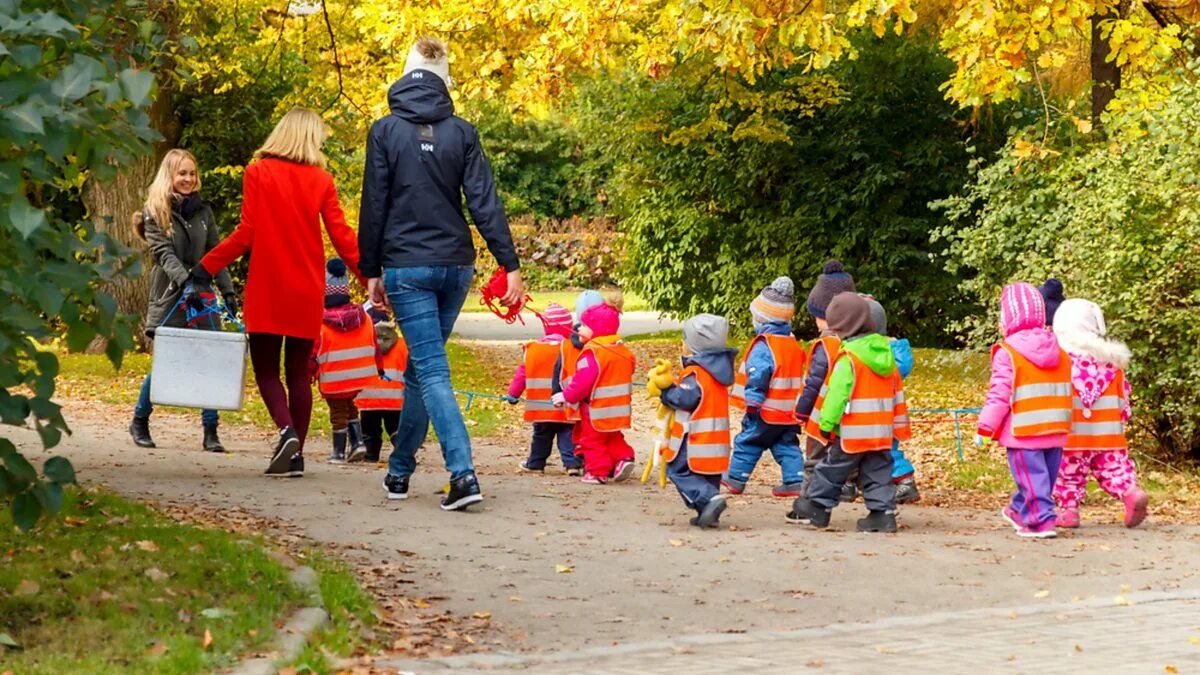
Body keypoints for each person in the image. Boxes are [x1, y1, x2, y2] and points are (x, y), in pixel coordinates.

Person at [359, 36, 523, 510]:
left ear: (405, 73)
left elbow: (375, 204)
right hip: (455, 266)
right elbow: (484, 201)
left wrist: (370, 270)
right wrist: (508, 264)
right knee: (420, 370)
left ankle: (463, 474)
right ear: (445, 80)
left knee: (430, 370)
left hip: (407, 266)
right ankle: (399, 472)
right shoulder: (462, 132)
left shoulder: (385, 131)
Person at [195, 108, 363, 478]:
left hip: (268, 287)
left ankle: (286, 433)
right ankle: (296, 455)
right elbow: (342, 236)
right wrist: (369, 277)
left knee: (267, 371)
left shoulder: (258, 172)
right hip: (306, 287)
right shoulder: (321, 180)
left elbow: (247, 232)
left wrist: (206, 265)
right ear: (308, 138)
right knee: (298, 376)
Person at [129, 149, 236, 453]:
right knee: (168, 360)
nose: (188, 179)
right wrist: (185, 281)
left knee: (211, 359)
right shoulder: (154, 210)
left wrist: (227, 291)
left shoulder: (204, 212)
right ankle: (140, 420)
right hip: (171, 293)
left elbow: (217, 253)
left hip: (201, 293)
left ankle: (211, 429)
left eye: (191, 173)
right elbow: (163, 254)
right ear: (170, 176)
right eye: (182, 173)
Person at [787, 293, 911, 533]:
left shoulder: (849, 358)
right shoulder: (887, 356)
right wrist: (898, 426)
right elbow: (898, 395)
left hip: (852, 433)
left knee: (831, 469)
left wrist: (826, 423)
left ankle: (817, 508)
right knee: (877, 472)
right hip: (881, 433)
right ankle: (883, 514)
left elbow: (837, 395)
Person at [976, 282, 1072, 539]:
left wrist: (986, 427)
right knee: (1043, 479)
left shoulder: (1008, 352)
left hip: (1024, 429)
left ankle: (1040, 521)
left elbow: (1000, 394)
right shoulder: (1059, 350)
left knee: (1032, 479)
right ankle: (1020, 510)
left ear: (1010, 317)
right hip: (1055, 427)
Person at [1051, 299, 1148, 528]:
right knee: (1113, 469)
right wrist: (1120, 421)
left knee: (1067, 474)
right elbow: (1123, 400)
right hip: (1108, 434)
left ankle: (1068, 511)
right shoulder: (1112, 364)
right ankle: (1130, 492)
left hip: (1071, 436)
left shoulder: (1060, 361)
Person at [726, 277, 807, 497]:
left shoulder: (764, 345)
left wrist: (752, 400)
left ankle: (735, 478)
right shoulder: (792, 344)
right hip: (788, 411)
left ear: (762, 320)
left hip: (764, 410)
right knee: (786, 444)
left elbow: (758, 373)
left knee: (749, 441)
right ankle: (795, 480)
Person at [655, 314, 737, 528]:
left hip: (694, 438)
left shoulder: (697, 373)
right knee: (707, 475)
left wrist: (666, 392)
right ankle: (708, 510)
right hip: (715, 441)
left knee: (678, 470)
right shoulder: (718, 372)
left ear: (694, 345)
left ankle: (708, 500)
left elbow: (684, 398)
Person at [555, 298, 637, 484]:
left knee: (592, 440)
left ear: (596, 329)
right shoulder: (622, 351)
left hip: (596, 408)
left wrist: (566, 395)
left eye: (584, 325)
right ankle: (624, 458)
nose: (579, 329)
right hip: (620, 407)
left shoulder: (593, 353)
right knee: (613, 436)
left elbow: (582, 382)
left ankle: (597, 472)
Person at [796, 260, 856, 500]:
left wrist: (802, 410)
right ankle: (847, 486)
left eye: (817, 316)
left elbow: (813, 383)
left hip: (821, 415)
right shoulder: (855, 343)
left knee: (814, 457)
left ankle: (808, 497)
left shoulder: (825, 346)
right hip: (850, 415)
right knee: (844, 453)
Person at [312, 258, 379, 465]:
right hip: (358, 376)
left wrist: (308, 374)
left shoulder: (321, 323)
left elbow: (313, 353)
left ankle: (338, 452)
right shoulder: (364, 318)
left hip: (334, 378)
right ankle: (358, 442)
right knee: (350, 406)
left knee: (338, 412)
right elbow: (375, 346)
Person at [504, 303, 584, 475]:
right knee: (568, 434)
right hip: (566, 403)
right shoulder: (572, 349)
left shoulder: (533, 349)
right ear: (569, 327)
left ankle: (535, 464)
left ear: (545, 326)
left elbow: (522, 374)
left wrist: (513, 394)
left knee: (541, 437)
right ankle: (572, 465)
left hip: (540, 405)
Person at [861, 295, 920, 504]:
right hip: (887, 411)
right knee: (882, 449)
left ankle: (905, 481)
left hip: (875, 412)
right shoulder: (891, 353)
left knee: (883, 451)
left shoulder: (875, 352)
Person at [357, 304, 408, 464]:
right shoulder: (402, 345)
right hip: (395, 399)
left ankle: (371, 455)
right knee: (395, 428)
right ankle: (403, 453)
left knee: (370, 430)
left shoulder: (363, 344)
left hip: (368, 397)